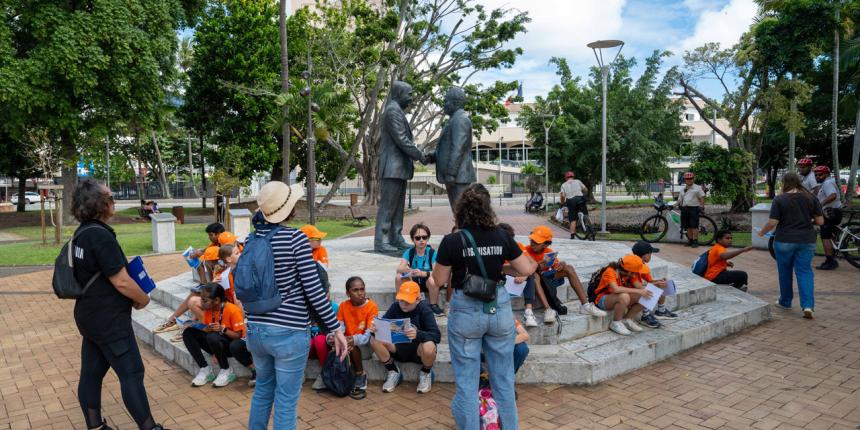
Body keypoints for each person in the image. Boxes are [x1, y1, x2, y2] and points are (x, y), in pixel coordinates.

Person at [431, 183, 537, 429]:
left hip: (466, 310)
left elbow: (438, 280)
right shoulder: (502, 236)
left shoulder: (452, 241)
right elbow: (526, 269)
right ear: (488, 208)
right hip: (497, 307)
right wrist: (499, 265)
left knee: (467, 384)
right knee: (503, 381)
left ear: (461, 210)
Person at [245, 181, 348, 430]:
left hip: (256, 329)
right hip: (288, 333)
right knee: (286, 400)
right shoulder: (296, 239)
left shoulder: (250, 239)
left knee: (262, 391)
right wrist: (335, 329)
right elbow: (314, 290)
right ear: (288, 208)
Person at [69, 179, 166, 430]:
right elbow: (122, 282)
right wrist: (143, 298)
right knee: (132, 372)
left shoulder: (82, 234)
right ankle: (149, 427)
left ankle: (95, 427)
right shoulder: (100, 237)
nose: (114, 202)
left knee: (91, 373)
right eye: (110, 198)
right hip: (109, 319)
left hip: (90, 316)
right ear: (98, 204)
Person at [374, 80, 432, 252]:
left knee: (398, 207)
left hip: (399, 169)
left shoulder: (396, 111)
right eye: (409, 94)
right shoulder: (392, 111)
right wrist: (421, 156)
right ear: (399, 94)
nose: (412, 98)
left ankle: (396, 237)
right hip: (393, 168)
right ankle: (382, 241)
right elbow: (402, 140)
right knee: (388, 207)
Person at [758, 172, 824, 319]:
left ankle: (785, 301)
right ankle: (808, 306)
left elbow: (773, 222)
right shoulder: (811, 198)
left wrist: (762, 232)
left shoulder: (779, 199)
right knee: (805, 272)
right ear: (799, 182)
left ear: (784, 183)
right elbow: (820, 221)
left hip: (784, 240)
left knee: (785, 271)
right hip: (807, 240)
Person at [369, 281, 441, 394]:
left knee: (429, 345)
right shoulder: (395, 307)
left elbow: (436, 335)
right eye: (401, 300)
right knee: (374, 339)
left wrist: (418, 334)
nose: (404, 304)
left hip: (418, 351)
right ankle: (393, 371)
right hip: (397, 348)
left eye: (408, 301)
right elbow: (382, 326)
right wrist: (374, 330)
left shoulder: (424, 309)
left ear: (417, 300)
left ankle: (426, 373)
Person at [523, 225, 606, 323]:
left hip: (546, 278)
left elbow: (555, 266)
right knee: (535, 276)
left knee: (569, 268)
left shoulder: (548, 252)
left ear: (545, 244)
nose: (532, 243)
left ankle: (585, 305)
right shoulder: (525, 250)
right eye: (531, 240)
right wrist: (537, 265)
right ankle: (548, 310)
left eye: (536, 242)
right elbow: (524, 270)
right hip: (533, 279)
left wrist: (561, 265)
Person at [184, 284, 254, 388]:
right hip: (216, 343)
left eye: (205, 300)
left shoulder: (232, 310)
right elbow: (209, 330)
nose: (201, 303)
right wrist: (204, 329)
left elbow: (238, 336)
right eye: (201, 299)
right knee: (188, 332)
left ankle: (225, 369)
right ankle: (205, 369)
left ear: (216, 300)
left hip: (231, 345)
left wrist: (223, 329)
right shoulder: (208, 310)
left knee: (213, 337)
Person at [333, 276, 378, 396]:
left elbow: (367, 336)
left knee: (351, 345)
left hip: (365, 347)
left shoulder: (371, 307)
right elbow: (340, 328)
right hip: (347, 343)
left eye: (362, 289)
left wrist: (352, 339)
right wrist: (339, 338)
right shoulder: (343, 306)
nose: (360, 293)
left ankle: (360, 374)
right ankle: (331, 374)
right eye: (355, 290)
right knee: (333, 340)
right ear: (348, 293)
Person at [592, 255, 651, 336]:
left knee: (647, 295)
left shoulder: (629, 274)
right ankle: (616, 323)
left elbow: (640, 287)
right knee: (624, 296)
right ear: (630, 272)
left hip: (617, 298)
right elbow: (615, 289)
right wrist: (639, 291)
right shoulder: (610, 271)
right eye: (635, 272)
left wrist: (655, 284)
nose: (636, 274)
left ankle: (627, 319)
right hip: (602, 299)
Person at [395, 223, 444, 315]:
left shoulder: (432, 253)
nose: (421, 240)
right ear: (413, 239)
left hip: (427, 282)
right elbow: (400, 268)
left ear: (428, 238)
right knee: (398, 277)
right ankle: (400, 302)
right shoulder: (409, 252)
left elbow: (436, 271)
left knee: (432, 280)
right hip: (414, 280)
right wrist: (409, 271)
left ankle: (433, 305)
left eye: (424, 237)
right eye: (417, 238)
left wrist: (423, 273)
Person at [631, 241, 675, 329]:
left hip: (637, 288)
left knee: (663, 284)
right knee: (651, 287)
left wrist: (659, 281)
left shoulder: (644, 266)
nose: (651, 256)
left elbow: (650, 281)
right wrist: (656, 283)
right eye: (650, 254)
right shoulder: (632, 266)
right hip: (631, 292)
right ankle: (645, 316)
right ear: (644, 256)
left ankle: (661, 311)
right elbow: (637, 286)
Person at [813, 166, 843, 270]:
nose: (817, 176)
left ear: (826, 174)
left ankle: (830, 261)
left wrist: (820, 204)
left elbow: (833, 195)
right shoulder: (826, 183)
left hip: (831, 213)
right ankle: (832, 257)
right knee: (829, 234)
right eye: (816, 174)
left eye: (820, 174)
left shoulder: (827, 183)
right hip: (833, 212)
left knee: (825, 236)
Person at [678, 172, 706, 247]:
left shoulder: (697, 188)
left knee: (694, 226)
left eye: (690, 178)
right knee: (687, 226)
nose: (689, 180)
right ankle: (690, 240)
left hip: (694, 208)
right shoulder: (683, 189)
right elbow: (680, 200)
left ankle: (695, 241)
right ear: (685, 180)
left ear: (693, 179)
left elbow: (702, 197)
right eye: (687, 179)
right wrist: (674, 205)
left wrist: (702, 207)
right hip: (684, 208)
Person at [559, 171, 588, 239]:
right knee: (585, 213)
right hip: (580, 198)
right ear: (573, 177)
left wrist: (562, 203)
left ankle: (572, 235)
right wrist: (584, 194)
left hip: (571, 201)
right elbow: (586, 189)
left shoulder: (563, 185)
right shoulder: (578, 181)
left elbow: (563, 196)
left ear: (566, 178)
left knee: (573, 219)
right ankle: (588, 226)